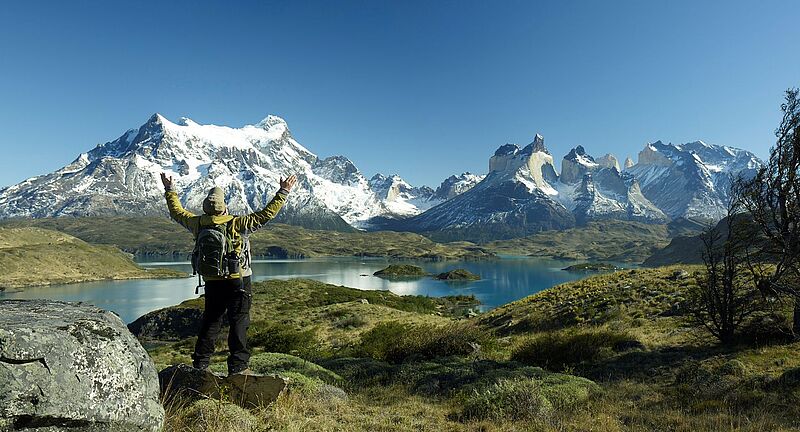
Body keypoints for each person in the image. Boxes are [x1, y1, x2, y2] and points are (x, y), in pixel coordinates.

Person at [160, 172, 297, 375]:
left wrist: (170, 189)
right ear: (224, 206)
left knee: (211, 321)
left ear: (205, 208)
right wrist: (283, 191)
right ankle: (238, 366)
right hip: (238, 280)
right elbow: (266, 215)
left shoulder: (198, 223)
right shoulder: (237, 223)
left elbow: (177, 212)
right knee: (239, 321)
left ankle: (200, 365)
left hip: (212, 281)